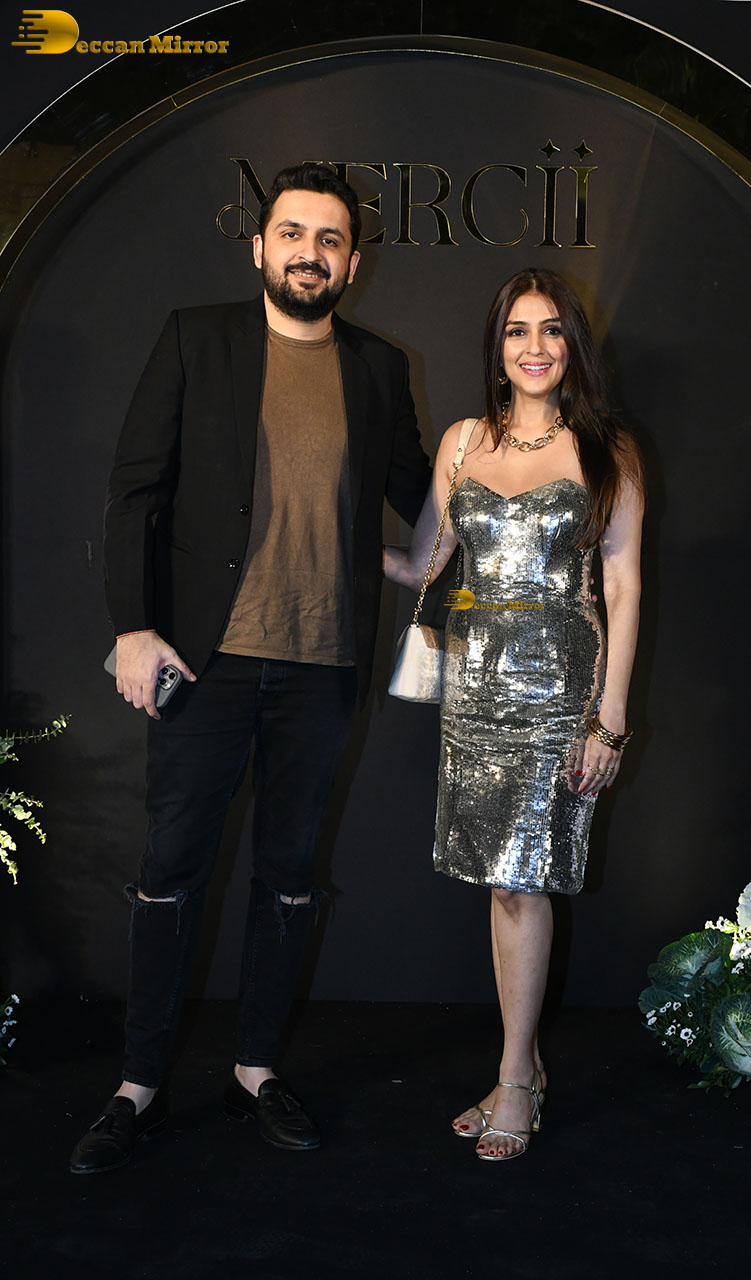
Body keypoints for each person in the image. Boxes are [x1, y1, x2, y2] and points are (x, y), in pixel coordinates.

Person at [70, 163, 431, 1174]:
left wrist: (513, 463)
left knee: (287, 879)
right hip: (202, 660)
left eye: (329, 239)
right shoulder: (198, 337)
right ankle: (137, 1087)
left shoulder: (379, 365)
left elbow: (425, 491)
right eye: (293, 233)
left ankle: (255, 1070)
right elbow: (135, 490)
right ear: (260, 246)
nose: (310, 252)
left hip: (323, 665)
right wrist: (133, 629)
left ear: (352, 263)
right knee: (170, 873)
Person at [384, 267, 644, 1161]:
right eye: (516, 331)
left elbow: (622, 584)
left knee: (523, 881)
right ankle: (519, 1065)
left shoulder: (606, 448)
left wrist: (609, 717)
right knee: (500, 882)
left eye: (551, 330)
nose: (534, 347)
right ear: (496, 349)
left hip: (558, 689)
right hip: (474, 692)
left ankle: (514, 1080)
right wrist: (315, 537)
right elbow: (425, 563)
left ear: (572, 346)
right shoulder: (461, 442)